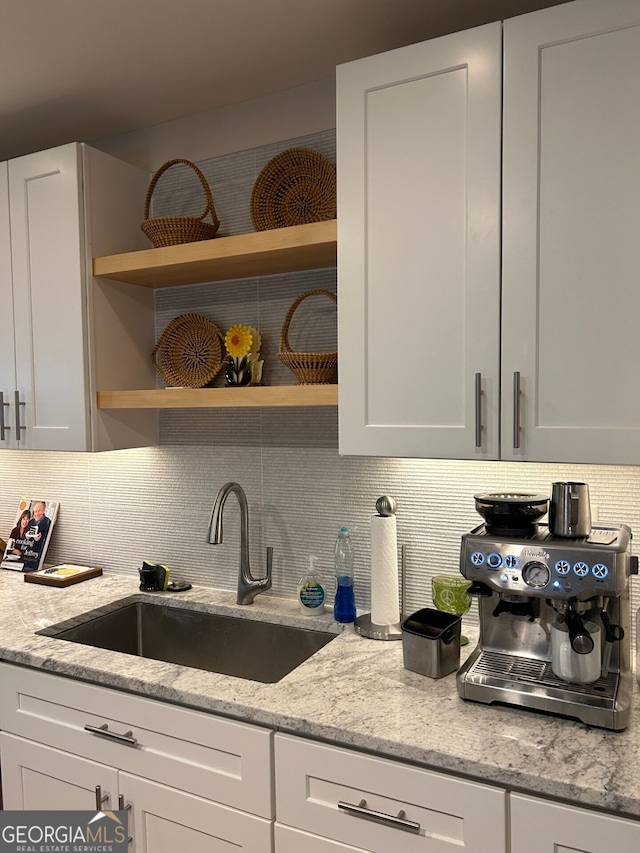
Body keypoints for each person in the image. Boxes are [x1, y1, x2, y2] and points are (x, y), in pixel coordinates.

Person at [21, 501, 51, 572]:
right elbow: (22, 537)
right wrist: (26, 536)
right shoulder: (31, 521)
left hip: (37, 557)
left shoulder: (48, 522)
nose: (36, 514)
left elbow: (47, 541)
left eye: (39, 511)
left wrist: (40, 539)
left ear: (44, 510)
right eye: (35, 512)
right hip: (26, 555)